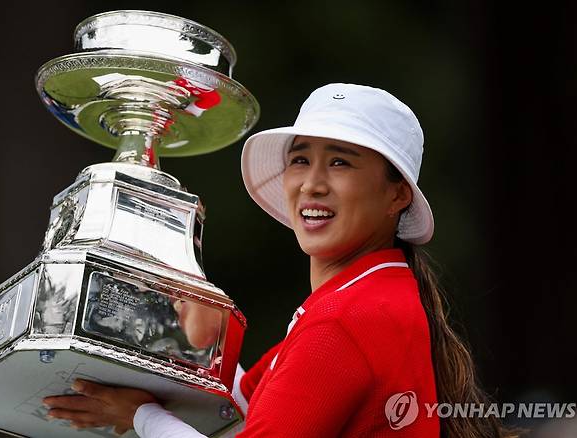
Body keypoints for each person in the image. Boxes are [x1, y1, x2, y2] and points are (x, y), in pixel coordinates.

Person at [43, 84, 520, 437]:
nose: (311, 183)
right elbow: (252, 408)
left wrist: (140, 417)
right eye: (300, 159)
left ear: (396, 194)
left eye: (340, 162)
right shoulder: (370, 297)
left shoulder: (344, 320)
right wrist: (197, 340)